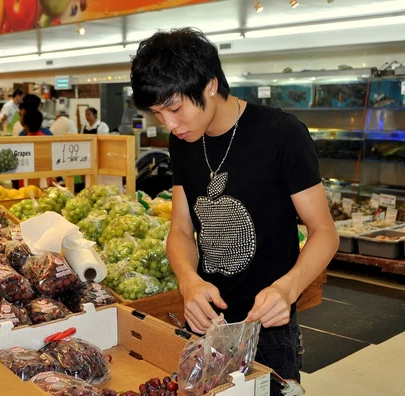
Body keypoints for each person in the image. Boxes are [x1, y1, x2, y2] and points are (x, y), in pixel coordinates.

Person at [131, 28, 339, 393]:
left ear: (210, 85)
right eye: (158, 114)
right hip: (207, 323)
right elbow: (180, 229)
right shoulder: (183, 142)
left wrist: (287, 290)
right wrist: (188, 280)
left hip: (268, 327)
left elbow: (325, 232)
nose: (170, 125)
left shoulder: (281, 134)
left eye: (175, 109)